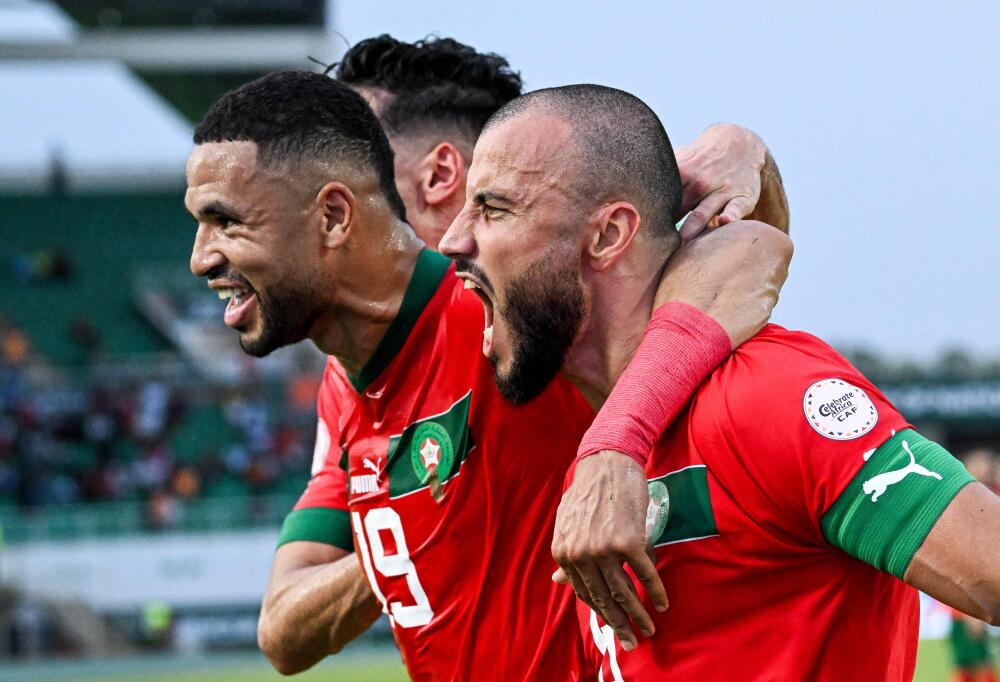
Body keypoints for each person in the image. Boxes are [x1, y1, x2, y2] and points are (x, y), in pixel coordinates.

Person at [187, 70, 791, 679]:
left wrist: (741, 149)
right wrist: (406, 531)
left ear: (334, 215)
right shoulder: (344, 388)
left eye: (226, 222)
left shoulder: (496, 313)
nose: (199, 258)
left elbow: (747, 253)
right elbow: (282, 633)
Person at [438, 83, 1000, 680]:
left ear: (607, 236)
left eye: (494, 209)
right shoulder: (597, 459)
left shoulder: (767, 394)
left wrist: (747, 151)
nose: (453, 239)